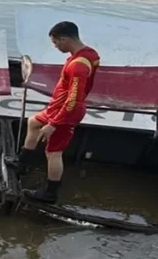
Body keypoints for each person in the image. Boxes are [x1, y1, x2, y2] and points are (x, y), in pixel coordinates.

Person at [12, 21, 100, 203]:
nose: (55, 46)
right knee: (34, 122)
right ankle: (22, 163)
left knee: (54, 152)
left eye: (56, 42)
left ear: (65, 38)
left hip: (65, 112)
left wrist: (54, 123)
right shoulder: (88, 54)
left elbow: (74, 101)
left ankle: (49, 193)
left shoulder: (78, 66)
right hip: (56, 107)